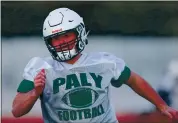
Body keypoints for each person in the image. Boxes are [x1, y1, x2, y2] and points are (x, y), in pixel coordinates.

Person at [12, 8, 178, 123]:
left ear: (80, 32)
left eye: (66, 35)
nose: (61, 42)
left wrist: (161, 105)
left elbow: (134, 80)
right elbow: (17, 111)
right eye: (55, 39)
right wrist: (35, 92)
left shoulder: (103, 62)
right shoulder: (40, 67)